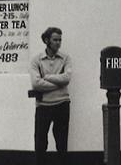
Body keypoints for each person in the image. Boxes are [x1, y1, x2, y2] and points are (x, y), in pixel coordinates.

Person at [29, 27, 72, 165]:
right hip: (43, 105)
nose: (58, 43)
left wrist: (47, 77)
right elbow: (36, 84)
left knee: (61, 142)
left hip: (62, 104)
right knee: (41, 142)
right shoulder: (37, 60)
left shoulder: (66, 58)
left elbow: (67, 78)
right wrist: (58, 84)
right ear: (47, 40)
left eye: (60, 40)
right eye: (55, 40)